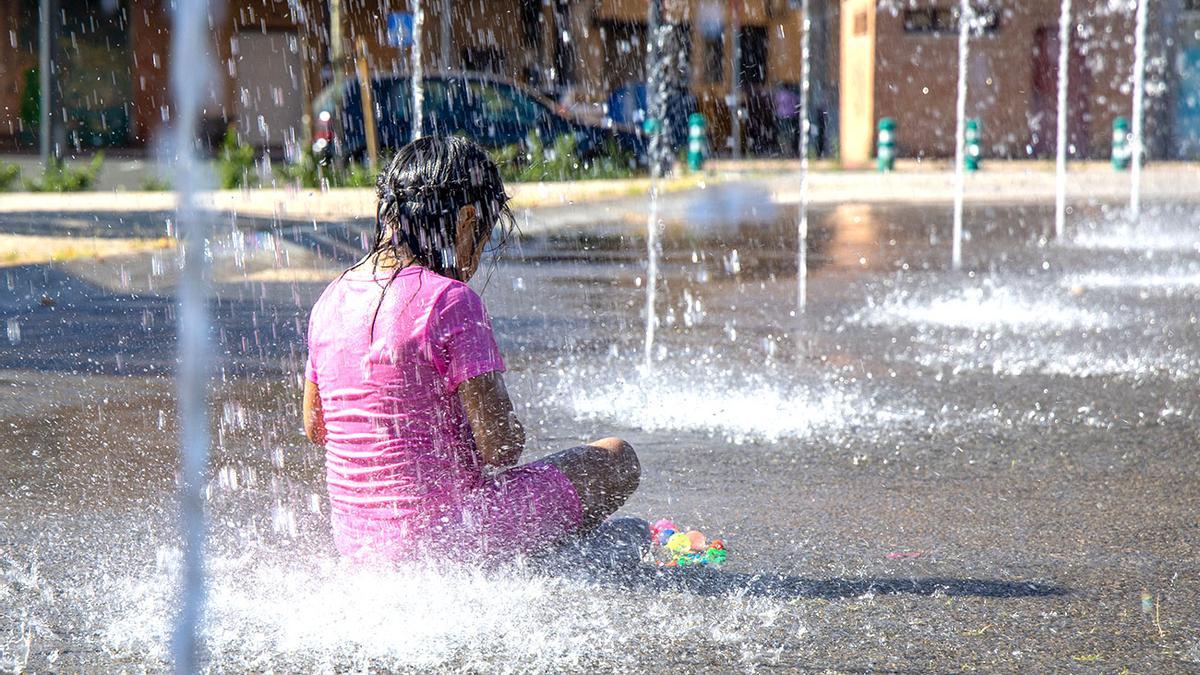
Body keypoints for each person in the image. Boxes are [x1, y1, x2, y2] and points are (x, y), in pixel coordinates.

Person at [303, 136, 640, 564]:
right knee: (615, 458)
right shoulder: (449, 300)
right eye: (484, 235)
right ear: (465, 220)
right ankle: (552, 551)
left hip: (360, 547)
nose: (478, 255)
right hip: (453, 540)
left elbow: (318, 427)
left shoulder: (331, 298)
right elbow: (500, 445)